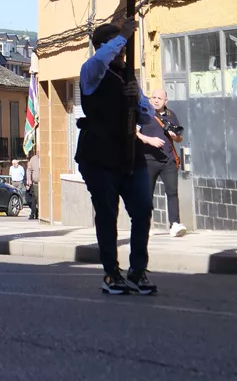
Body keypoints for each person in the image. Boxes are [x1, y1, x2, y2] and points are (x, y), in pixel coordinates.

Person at [76, 18, 157, 296]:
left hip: (128, 151)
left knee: (143, 208)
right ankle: (111, 272)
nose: (123, 54)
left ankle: (137, 270)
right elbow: (101, 60)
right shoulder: (91, 71)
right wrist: (122, 36)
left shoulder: (128, 77)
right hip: (99, 152)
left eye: (123, 49)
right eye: (118, 49)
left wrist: (136, 99)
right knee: (107, 212)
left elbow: (146, 115)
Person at [140, 86, 186, 237]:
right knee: (147, 194)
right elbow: (133, 132)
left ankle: (175, 224)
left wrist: (175, 137)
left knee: (172, 192)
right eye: (154, 98)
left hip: (168, 160)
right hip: (148, 160)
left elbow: (180, 138)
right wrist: (149, 140)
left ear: (166, 101)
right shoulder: (143, 113)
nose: (156, 100)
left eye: (160, 98)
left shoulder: (171, 115)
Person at [26, 150, 40, 220]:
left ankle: (37, 213)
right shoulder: (33, 159)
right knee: (34, 199)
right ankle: (34, 213)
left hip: (43, 184)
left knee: (39, 200)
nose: (38, 152)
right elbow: (29, 170)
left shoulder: (45, 158)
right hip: (35, 184)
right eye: (38, 151)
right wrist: (28, 180)